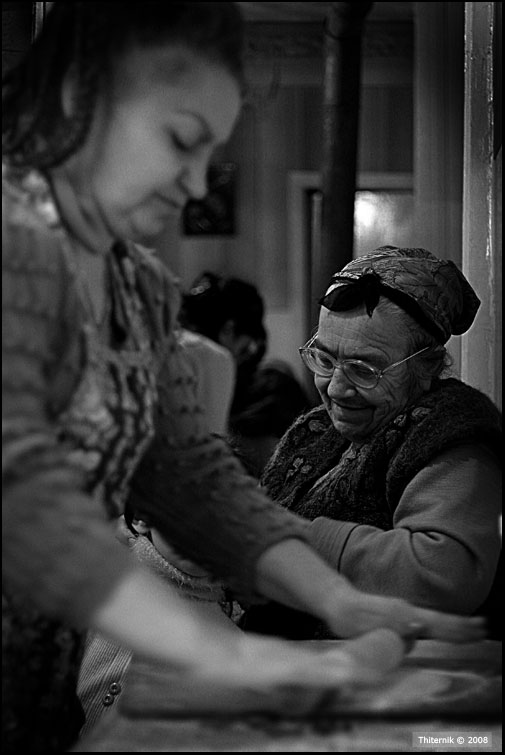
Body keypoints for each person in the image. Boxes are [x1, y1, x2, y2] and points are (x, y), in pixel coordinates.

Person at [1, 3, 485, 751]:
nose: (197, 183)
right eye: (180, 139)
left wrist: (334, 600)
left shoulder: (142, 291)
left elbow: (194, 482)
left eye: (211, 151)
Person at [240, 246, 502, 640]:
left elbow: (440, 573)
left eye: (364, 369)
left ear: (426, 366)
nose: (336, 388)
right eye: (324, 360)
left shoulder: (454, 436)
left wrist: (288, 538)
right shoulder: (315, 431)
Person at [179, 271, 312, 475]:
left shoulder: (169, 346)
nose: (242, 358)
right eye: (244, 348)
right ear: (228, 330)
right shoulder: (214, 359)